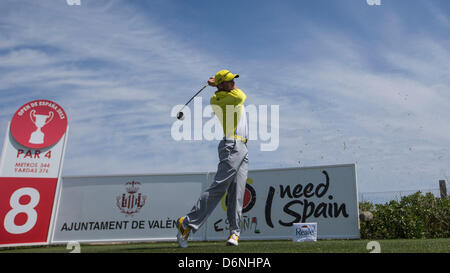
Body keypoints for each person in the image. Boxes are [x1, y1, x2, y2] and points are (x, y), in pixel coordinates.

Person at [176, 69, 249, 248]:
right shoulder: (219, 99)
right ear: (222, 85)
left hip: (243, 147)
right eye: (230, 81)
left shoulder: (225, 93)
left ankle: (234, 233)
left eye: (233, 80)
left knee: (237, 192)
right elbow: (241, 96)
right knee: (219, 187)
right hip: (232, 146)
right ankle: (187, 223)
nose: (234, 83)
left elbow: (234, 91)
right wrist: (216, 85)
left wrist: (217, 84)